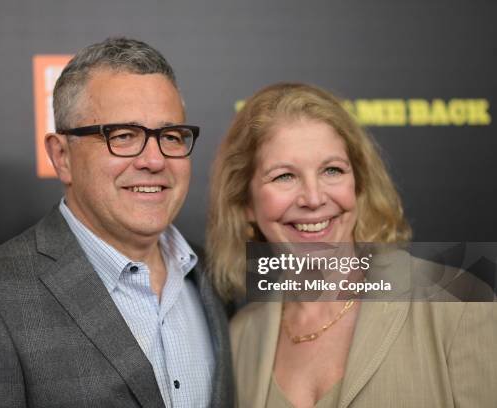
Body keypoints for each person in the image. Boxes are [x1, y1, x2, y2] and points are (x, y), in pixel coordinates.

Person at [0, 37, 232, 408]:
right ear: (62, 156)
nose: (154, 159)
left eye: (170, 136)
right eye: (123, 136)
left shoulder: (218, 276)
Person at [207, 83, 497, 407]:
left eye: (332, 170)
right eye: (284, 176)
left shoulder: (459, 305)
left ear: (357, 184)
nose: (314, 198)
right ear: (245, 201)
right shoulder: (240, 338)